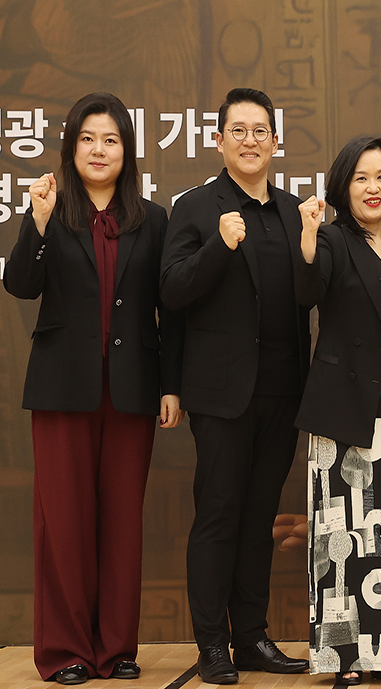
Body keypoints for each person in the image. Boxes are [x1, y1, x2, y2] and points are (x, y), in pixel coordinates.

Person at [3, 92, 183, 686]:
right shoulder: (51, 210)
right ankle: (66, 652)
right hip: (62, 388)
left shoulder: (153, 219)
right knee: (64, 521)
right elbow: (21, 284)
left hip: (132, 388)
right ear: (70, 147)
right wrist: (36, 222)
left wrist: (171, 385)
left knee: (121, 521)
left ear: (127, 150)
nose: (98, 150)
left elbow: (170, 311)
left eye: (110, 139)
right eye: (87, 139)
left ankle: (116, 649)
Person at [160, 87, 311, 684]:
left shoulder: (293, 211)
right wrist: (219, 247)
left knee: (259, 519)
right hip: (221, 395)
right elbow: (172, 292)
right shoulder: (196, 207)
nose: (250, 141)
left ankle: (251, 638)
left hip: (283, 392)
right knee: (219, 515)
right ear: (219, 140)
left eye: (260, 131)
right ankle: (212, 644)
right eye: (238, 131)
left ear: (275, 141)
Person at [293, 137, 381, 685]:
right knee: (344, 536)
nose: (374, 188)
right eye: (361, 178)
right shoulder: (332, 239)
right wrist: (306, 235)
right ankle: (342, 658)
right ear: (343, 186)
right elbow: (306, 291)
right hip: (346, 408)